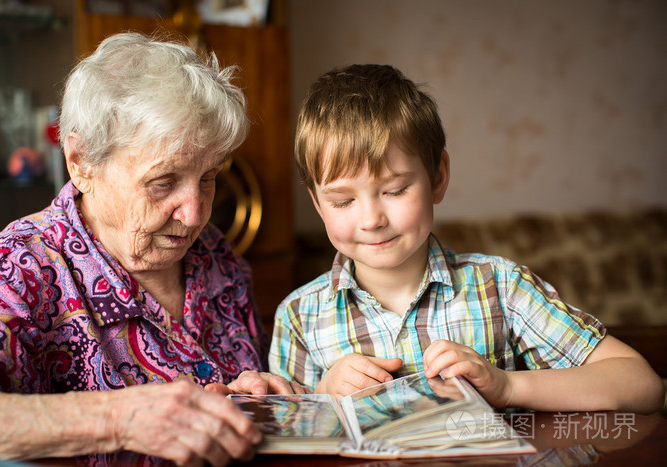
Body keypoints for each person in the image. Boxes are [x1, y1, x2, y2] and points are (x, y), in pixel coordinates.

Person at [0, 32, 306, 466]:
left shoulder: (216, 255)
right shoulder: (18, 270)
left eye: (208, 177)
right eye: (164, 182)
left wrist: (253, 396)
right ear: (81, 162)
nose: (195, 213)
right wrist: (119, 419)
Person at [269, 64, 664, 414]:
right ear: (318, 205)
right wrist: (321, 395)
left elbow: (642, 386)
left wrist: (507, 386)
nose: (371, 220)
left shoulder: (502, 289)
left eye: (394, 190)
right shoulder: (298, 318)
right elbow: (280, 431)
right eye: (342, 201)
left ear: (438, 177)